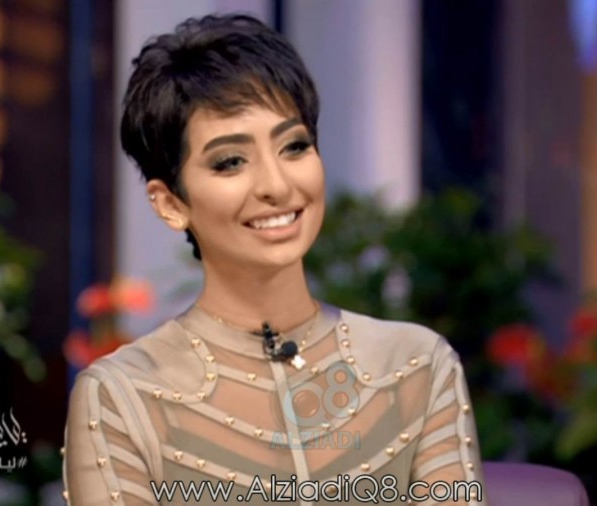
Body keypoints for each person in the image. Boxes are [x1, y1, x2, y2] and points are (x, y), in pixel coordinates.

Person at [63, 13, 484, 505]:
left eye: (294, 146)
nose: (277, 186)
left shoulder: (416, 365)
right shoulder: (119, 395)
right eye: (230, 162)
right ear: (171, 203)